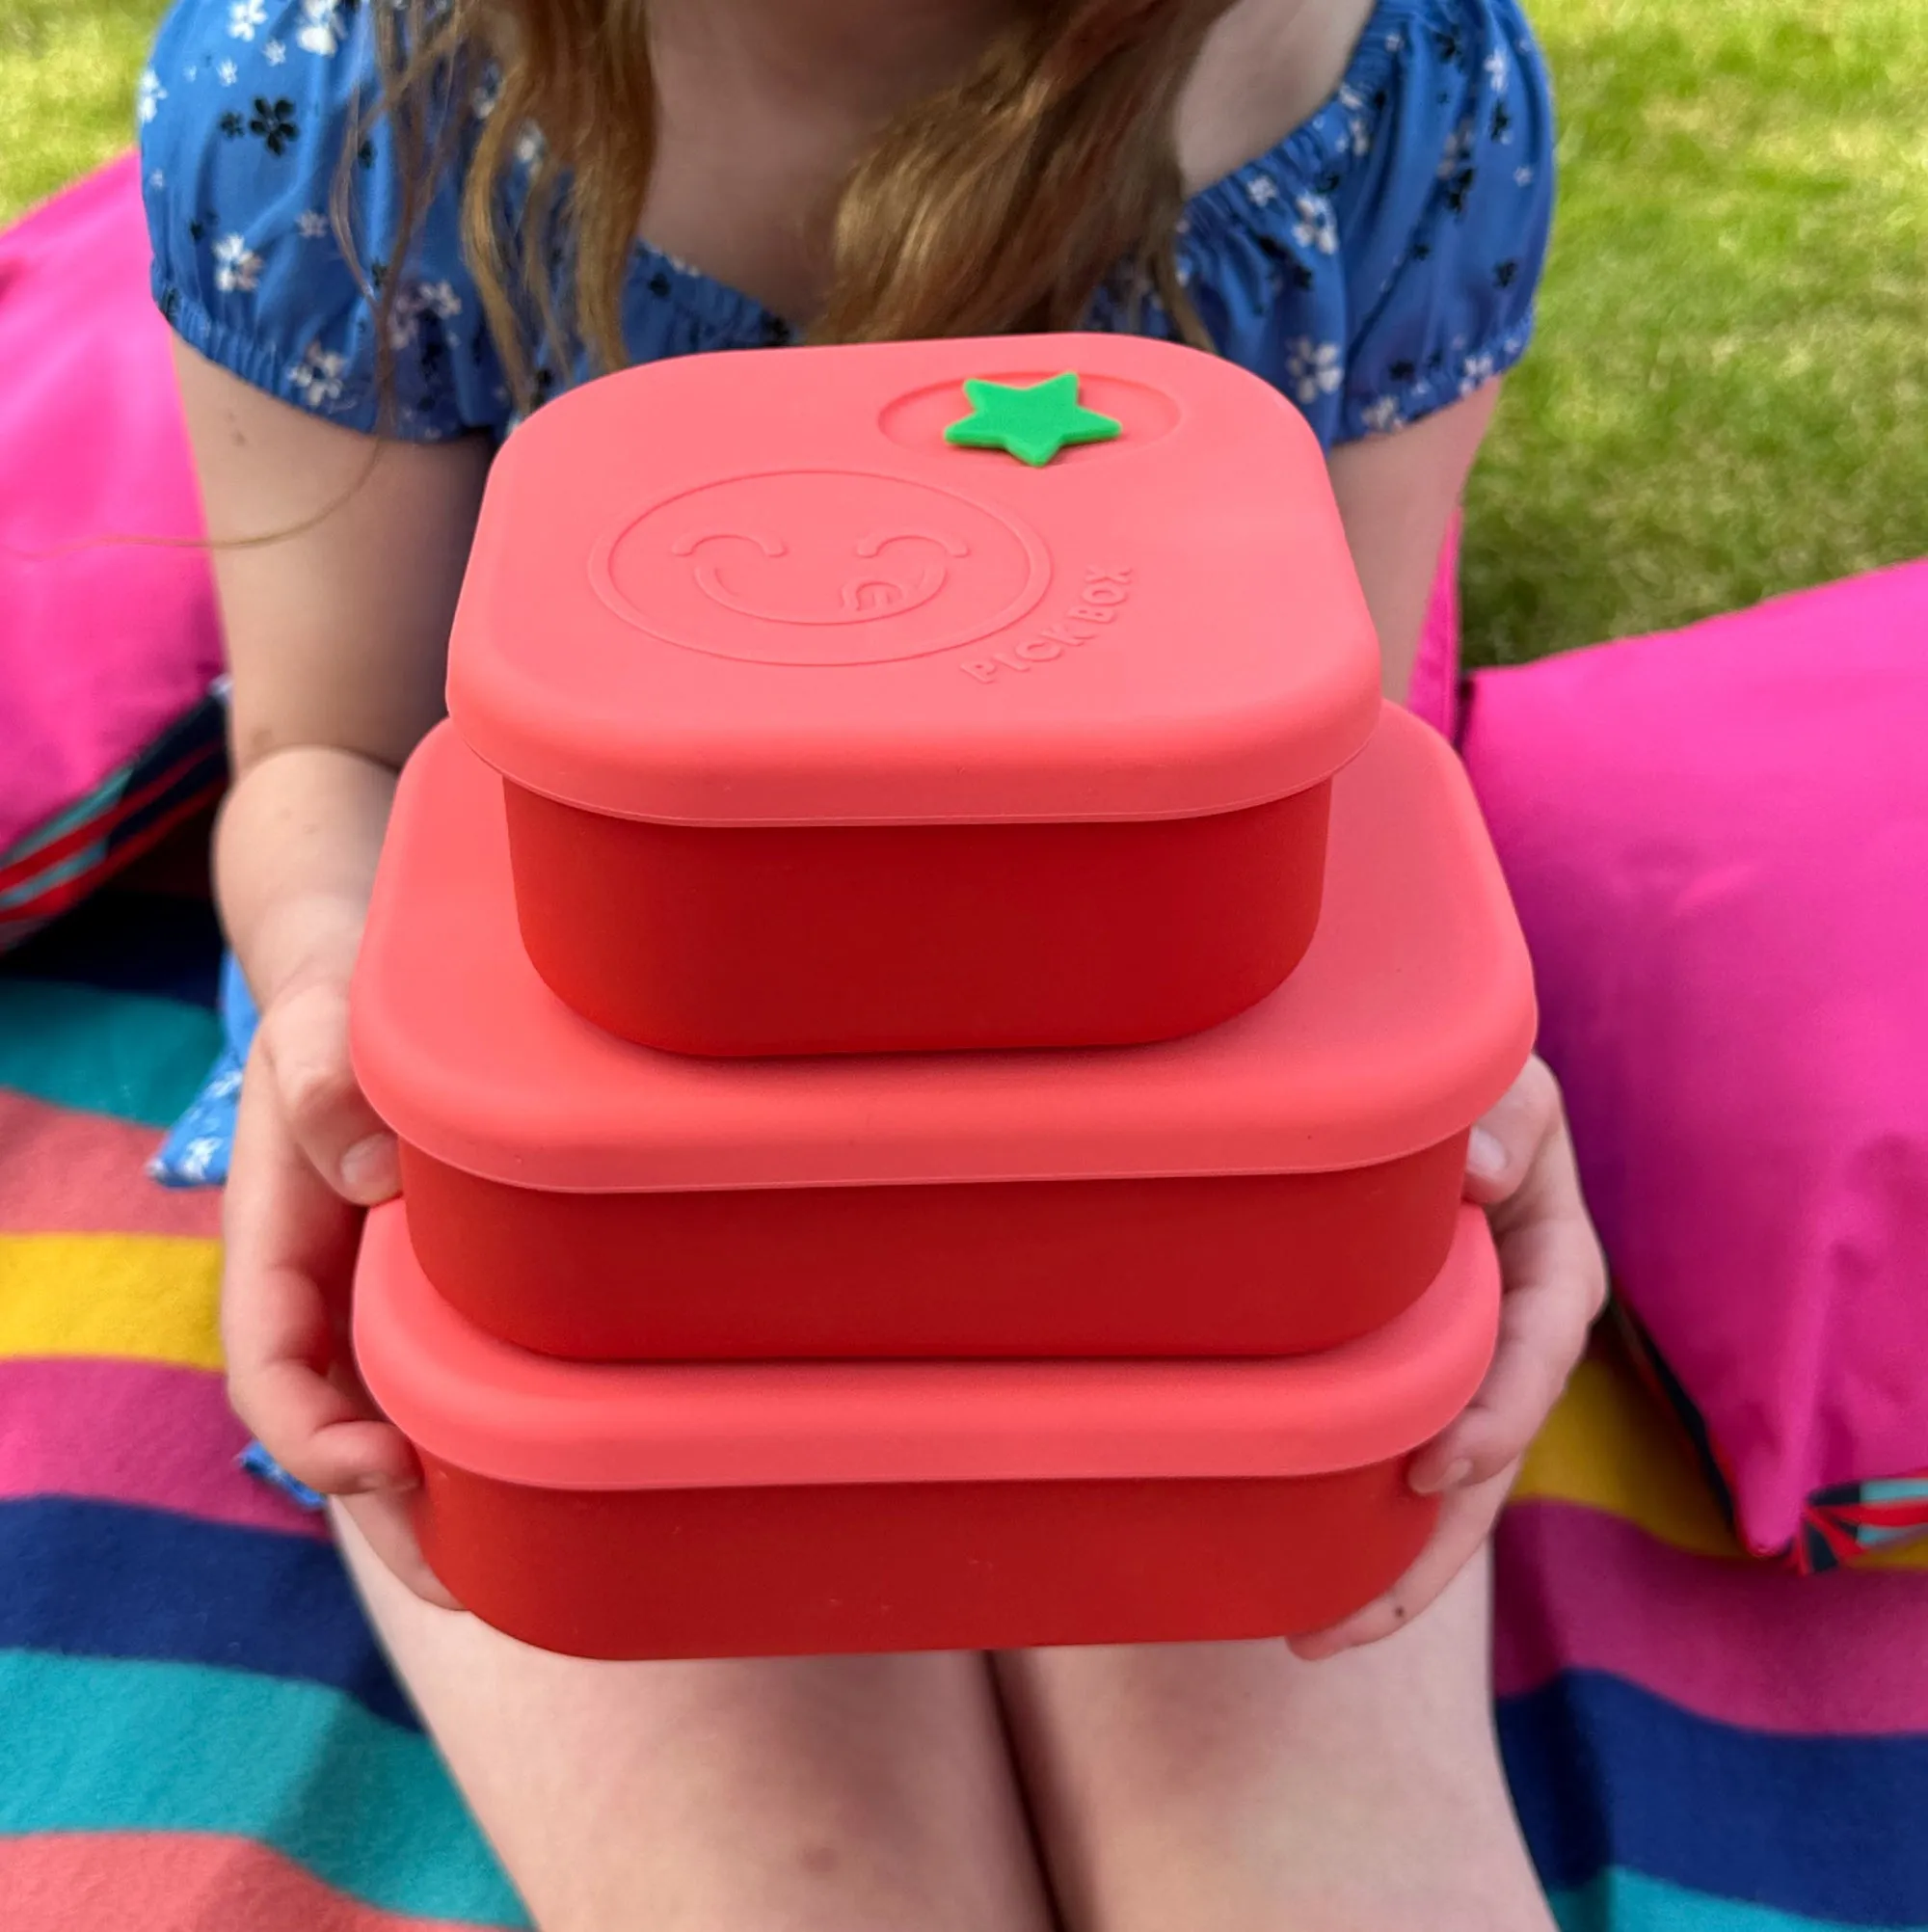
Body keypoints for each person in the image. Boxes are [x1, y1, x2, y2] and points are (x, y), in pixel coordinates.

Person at [141, 1, 1603, 1924]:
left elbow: (1340, 802)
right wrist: (340, 1012)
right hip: (583, 1184)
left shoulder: (1383, 88)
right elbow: (330, 754)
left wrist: (1439, 1116)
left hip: (1172, 1165)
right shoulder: (336, 85)